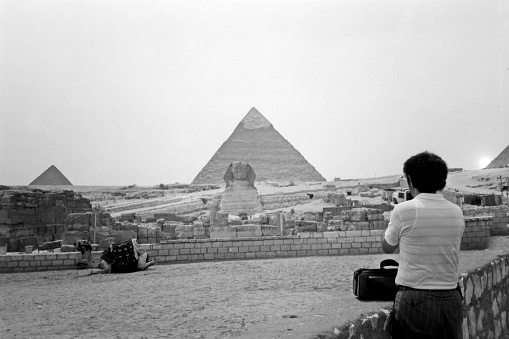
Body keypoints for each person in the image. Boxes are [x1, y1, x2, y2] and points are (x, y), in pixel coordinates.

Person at [381, 151, 465, 339]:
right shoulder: (456, 212)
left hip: (416, 301)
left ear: (410, 180)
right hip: (451, 299)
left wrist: (389, 227)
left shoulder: (403, 210)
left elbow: (387, 247)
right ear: (442, 180)